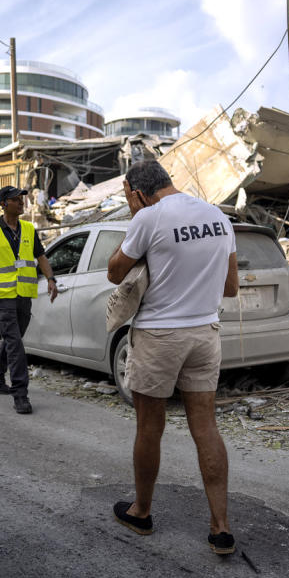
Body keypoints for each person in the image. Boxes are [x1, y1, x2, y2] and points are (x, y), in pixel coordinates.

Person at [107, 160, 239, 555]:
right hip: (205, 333)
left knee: (150, 428)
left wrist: (137, 217)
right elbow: (230, 287)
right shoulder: (217, 215)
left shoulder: (148, 216)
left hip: (159, 335)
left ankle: (141, 512)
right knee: (206, 428)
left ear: (135, 191)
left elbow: (116, 272)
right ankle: (221, 528)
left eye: (128, 196)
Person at [0, 186, 58, 414]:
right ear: (4, 203)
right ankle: (20, 394)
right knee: (15, 344)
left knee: (15, 339)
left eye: (22, 200)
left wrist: (51, 279)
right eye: (16, 200)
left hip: (24, 293)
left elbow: (40, 256)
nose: (22, 203)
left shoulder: (29, 229)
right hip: (2, 296)